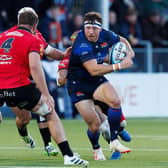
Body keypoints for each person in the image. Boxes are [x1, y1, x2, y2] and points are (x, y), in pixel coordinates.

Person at [0, 7, 88, 166]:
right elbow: (35, 67)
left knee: (24, 118)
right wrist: (46, 94)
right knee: (49, 112)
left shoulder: (2, 36)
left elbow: (50, 51)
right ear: (35, 25)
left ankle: (32, 137)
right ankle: (68, 156)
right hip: (19, 86)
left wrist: (63, 55)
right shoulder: (32, 38)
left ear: (19, 22)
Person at [67, 12, 134, 159]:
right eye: (88, 28)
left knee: (116, 103)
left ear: (100, 29)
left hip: (96, 80)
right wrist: (120, 65)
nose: (90, 31)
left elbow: (121, 39)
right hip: (78, 85)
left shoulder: (106, 34)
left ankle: (115, 141)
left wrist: (129, 52)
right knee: (96, 125)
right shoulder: (80, 44)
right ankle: (96, 148)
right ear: (83, 28)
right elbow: (93, 69)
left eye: (94, 28)